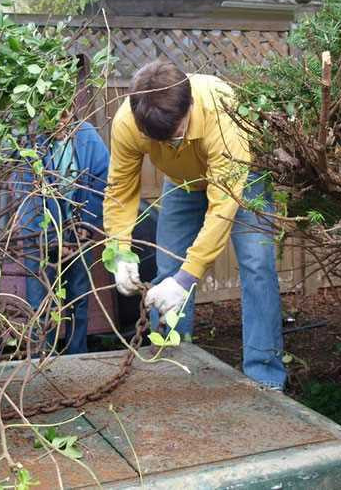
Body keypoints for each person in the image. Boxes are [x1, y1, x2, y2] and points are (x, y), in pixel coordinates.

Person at [103, 60, 286, 389]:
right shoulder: (127, 123)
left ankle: (265, 377)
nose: (171, 145)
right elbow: (120, 190)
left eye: (177, 135)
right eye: (161, 142)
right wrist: (118, 251)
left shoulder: (220, 107)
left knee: (257, 267)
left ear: (188, 106)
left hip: (242, 180)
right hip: (183, 182)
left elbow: (222, 207)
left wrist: (187, 278)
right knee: (166, 269)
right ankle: (172, 367)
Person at [14, 113, 109, 355]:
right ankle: (39, 355)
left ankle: (77, 354)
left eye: (65, 116)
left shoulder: (86, 136)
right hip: (40, 235)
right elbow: (27, 196)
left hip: (79, 232)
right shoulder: (30, 140)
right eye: (54, 118)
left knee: (78, 295)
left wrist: (84, 227)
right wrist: (51, 239)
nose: (61, 123)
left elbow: (101, 181)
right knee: (39, 300)